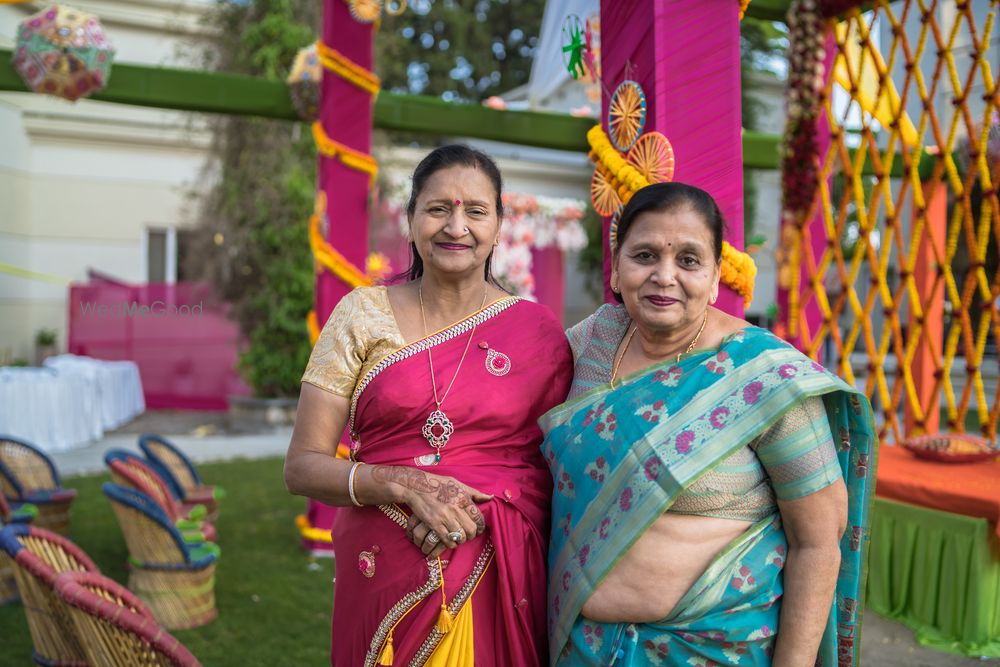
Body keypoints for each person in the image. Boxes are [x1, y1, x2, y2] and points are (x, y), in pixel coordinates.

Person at [540, 182, 877, 666]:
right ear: (616, 267)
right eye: (645, 255)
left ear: (717, 276)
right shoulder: (594, 342)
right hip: (582, 649)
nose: (664, 275)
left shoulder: (764, 377)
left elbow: (819, 541)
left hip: (713, 651)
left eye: (689, 261)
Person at [284, 145, 573, 666]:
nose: (456, 226)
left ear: (499, 224)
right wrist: (401, 486)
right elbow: (302, 466)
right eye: (438, 208)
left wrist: (482, 513)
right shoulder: (360, 314)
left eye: (476, 211)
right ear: (412, 218)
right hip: (381, 561)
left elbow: (550, 471)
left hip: (491, 563)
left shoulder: (538, 335)